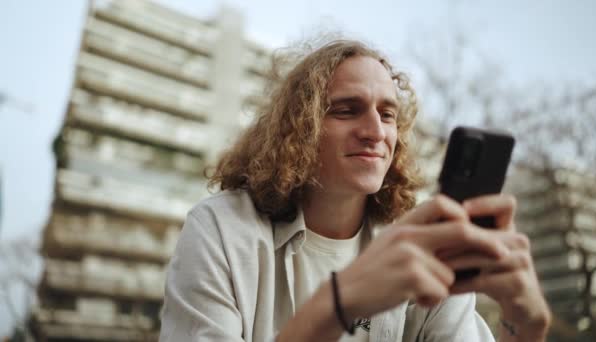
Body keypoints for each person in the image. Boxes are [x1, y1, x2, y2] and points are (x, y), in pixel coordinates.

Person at [159, 39, 551, 342]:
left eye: (387, 114)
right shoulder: (221, 229)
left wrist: (525, 328)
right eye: (346, 110)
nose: (375, 132)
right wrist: (336, 304)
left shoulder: (427, 245)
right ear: (298, 129)